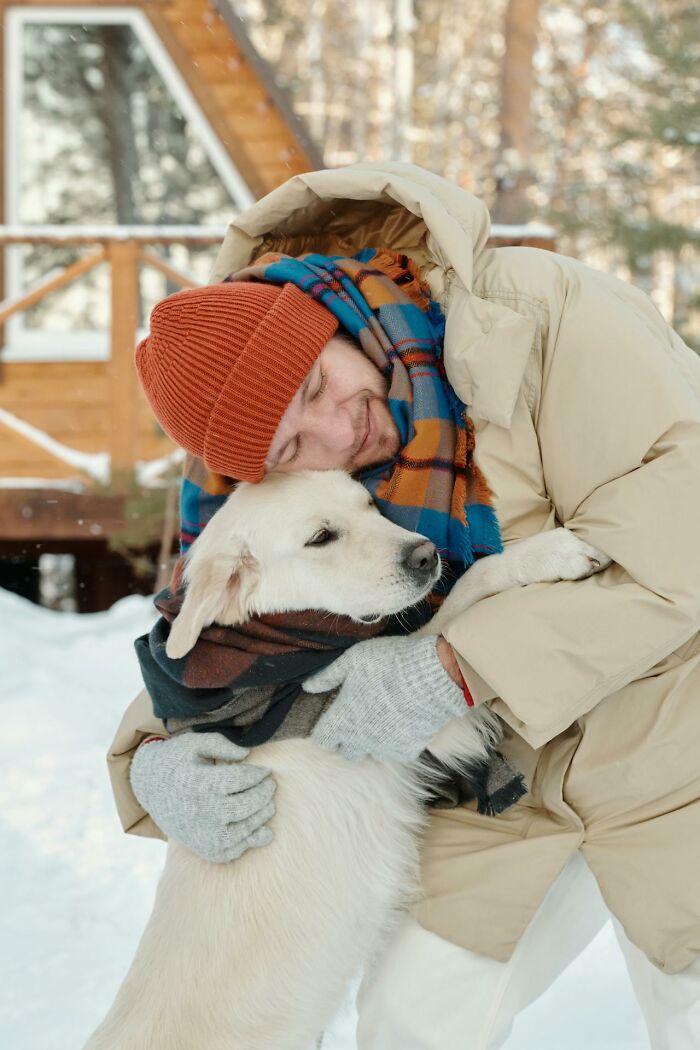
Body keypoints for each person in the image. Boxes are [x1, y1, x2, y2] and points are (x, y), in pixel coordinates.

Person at [107, 162, 700, 1048]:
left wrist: (455, 668)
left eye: (317, 387)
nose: (337, 433)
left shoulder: (541, 313)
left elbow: (683, 533)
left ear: (325, 320)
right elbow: (252, 627)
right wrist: (152, 757)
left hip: (676, 739)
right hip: (504, 786)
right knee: (407, 1026)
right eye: (291, 449)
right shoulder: (313, 480)